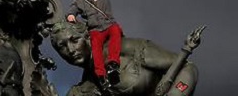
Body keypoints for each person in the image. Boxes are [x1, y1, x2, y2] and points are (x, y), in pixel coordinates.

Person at [50, 21, 202, 96]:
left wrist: (176, 93)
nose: (70, 50)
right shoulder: (83, 90)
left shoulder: (126, 48)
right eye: (62, 47)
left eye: (74, 40)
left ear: (89, 38)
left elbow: (187, 67)